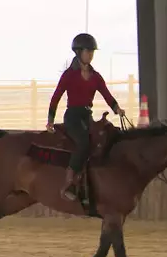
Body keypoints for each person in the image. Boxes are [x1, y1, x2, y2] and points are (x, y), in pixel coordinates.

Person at [46, 33, 125, 201]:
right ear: (78, 52)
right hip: (73, 117)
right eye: (87, 51)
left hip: (87, 116)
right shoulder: (69, 75)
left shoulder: (96, 76)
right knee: (83, 142)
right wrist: (50, 119)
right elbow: (56, 96)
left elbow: (107, 95)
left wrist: (117, 109)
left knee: (101, 142)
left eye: (92, 52)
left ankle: (92, 185)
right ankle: (69, 182)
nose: (90, 54)